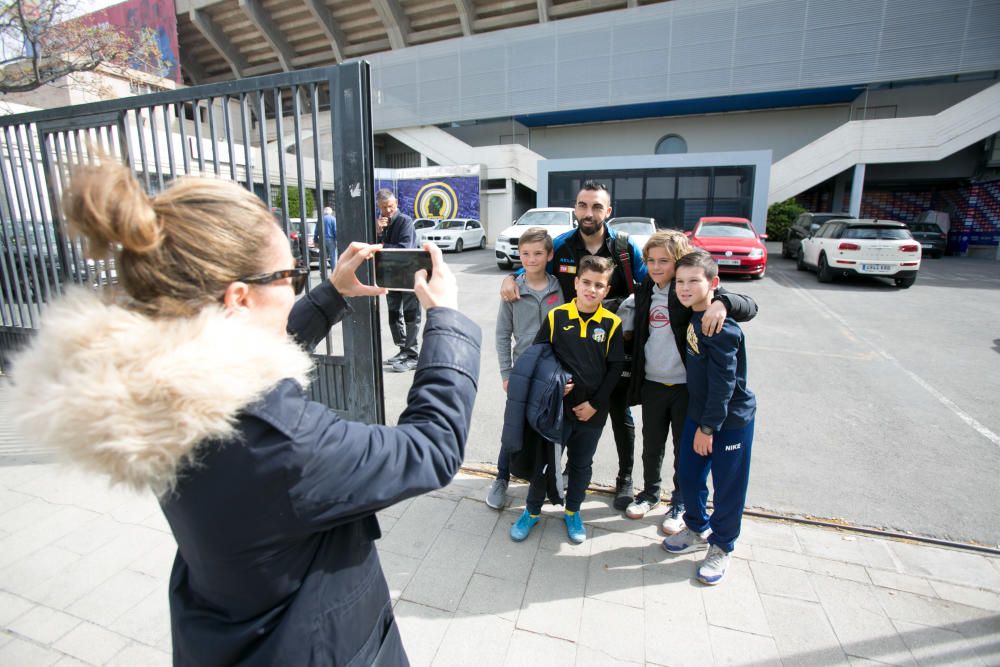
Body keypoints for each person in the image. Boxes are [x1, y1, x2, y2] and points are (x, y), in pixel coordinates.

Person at [9, 160, 482, 665]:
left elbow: (239, 361)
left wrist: (331, 294)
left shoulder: (155, 384)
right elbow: (431, 449)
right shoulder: (283, 442)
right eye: (291, 276)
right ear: (238, 296)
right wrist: (446, 320)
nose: (297, 286)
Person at [501, 181, 644, 511]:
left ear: (608, 211)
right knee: (564, 414)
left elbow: (650, 283)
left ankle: (625, 478)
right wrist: (513, 276)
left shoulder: (624, 248)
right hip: (568, 350)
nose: (588, 213)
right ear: (575, 209)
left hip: (612, 347)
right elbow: (535, 266)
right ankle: (558, 475)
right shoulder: (563, 245)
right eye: (583, 205)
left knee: (619, 412)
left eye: (596, 207)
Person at [618, 231, 758, 534]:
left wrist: (723, 302)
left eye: (664, 261)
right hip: (653, 383)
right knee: (651, 446)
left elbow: (750, 305)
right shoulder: (643, 292)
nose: (656, 267)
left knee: (686, 451)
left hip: (685, 388)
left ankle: (680, 502)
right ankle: (650, 493)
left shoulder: (689, 292)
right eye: (651, 261)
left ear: (679, 262)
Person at [509, 255, 625, 544]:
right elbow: (540, 357)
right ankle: (532, 511)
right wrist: (554, 385)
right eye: (586, 282)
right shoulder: (557, 316)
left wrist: (595, 404)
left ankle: (573, 511)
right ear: (575, 283)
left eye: (599, 285)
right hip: (556, 410)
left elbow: (615, 369)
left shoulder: (611, 323)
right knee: (545, 463)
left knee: (581, 465)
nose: (591, 289)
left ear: (606, 290)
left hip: (591, 413)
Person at [661, 250, 756, 586]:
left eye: (693, 281)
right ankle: (697, 526)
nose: (684, 288)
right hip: (698, 413)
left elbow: (724, 385)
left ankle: (721, 545)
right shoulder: (692, 314)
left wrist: (708, 428)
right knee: (688, 475)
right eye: (680, 282)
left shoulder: (720, 326)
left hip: (727, 421)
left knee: (728, 486)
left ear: (713, 284)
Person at [488, 227, 564, 509]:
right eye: (525, 254)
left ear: (549, 255)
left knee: (547, 427)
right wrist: (506, 373)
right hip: (522, 372)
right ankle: (501, 477)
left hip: (553, 373)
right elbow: (501, 334)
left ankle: (540, 480)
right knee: (514, 427)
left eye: (538, 253)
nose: (531, 259)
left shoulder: (560, 288)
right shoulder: (512, 291)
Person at [376, 188, 421, 372]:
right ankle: (403, 348)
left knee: (411, 315)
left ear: (396, 204)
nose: (388, 211)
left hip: (409, 275)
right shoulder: (382, 223)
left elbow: (404, 248)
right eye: (384, 208)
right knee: (394, 314)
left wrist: (381, 244)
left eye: (391, 207)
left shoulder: (405, 221)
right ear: (379, 207)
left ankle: (413, 354)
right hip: (392, 276)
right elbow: (376, 247)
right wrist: (379, 231)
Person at [315, 205, 337, 269]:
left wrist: (315, 240)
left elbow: (316, 231)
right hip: (331, 239)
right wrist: (336, 239)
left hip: (322, 240)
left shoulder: (320, 219)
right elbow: (335, 230)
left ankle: (322, 272)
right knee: (333, 257)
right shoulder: (333, 219)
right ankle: (334, 272)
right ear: (331, 212)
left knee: (322, 257)